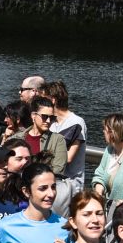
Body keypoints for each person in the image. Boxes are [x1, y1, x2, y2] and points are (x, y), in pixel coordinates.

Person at [46, 81, 88, 214]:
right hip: (52, 185)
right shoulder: (50, 123)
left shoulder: (76, 122)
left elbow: (68, 157)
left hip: (71, 186)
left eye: (44, 100)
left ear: (53, 100)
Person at [93, 113, 123, 223]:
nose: (103, 132)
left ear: (113, 132)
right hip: (110, 210)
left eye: (105, 129)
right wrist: (99, 191)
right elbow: (100, 174)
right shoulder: (109, 150)